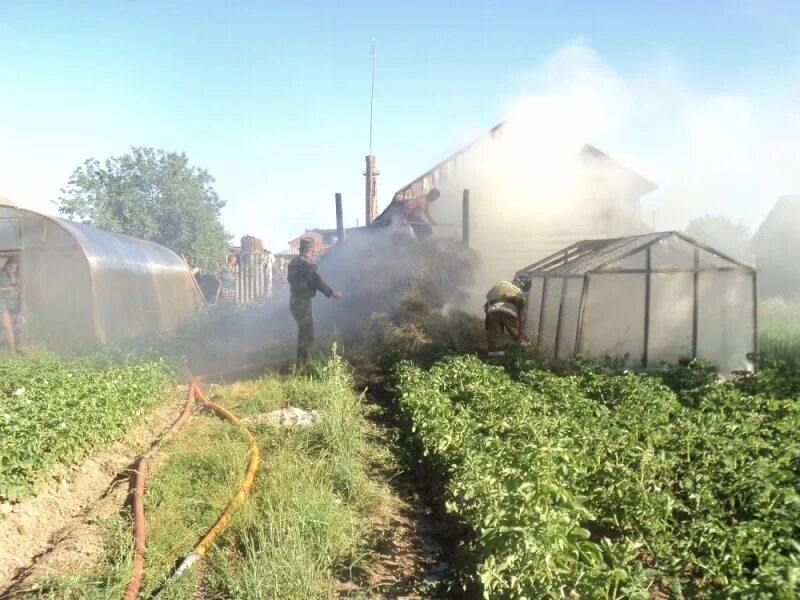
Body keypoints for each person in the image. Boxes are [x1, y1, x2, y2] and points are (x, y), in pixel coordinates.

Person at [287, 237, 342, 363]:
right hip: (302, 302)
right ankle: (303, 363)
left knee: (304, 330)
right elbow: (318, 281)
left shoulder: (293, 263)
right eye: (313, 251)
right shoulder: (306, 265)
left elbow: (292, 281)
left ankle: (303, 361)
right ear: (310, 250)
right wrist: (332, 294)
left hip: (294, 301)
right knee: (307, 333)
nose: (314, 253)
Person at [484, 274, 531, 358]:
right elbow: (520, 314)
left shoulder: (501, 283)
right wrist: (519, 334)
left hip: (492, 310)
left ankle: (494, 360)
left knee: (494, 339)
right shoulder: (520, 293)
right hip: (509, 313)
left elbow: (488, 297)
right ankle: (527, 354)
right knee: (519, 337)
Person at [0, 256, 20, 352]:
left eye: (15, 268)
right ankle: (13, 353)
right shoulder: (2, 274)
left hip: (7, 304)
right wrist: (10, 288)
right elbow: (8, 288)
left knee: (6, 328)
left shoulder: (11, 275)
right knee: (8, 328)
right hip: (1, 303)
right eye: (12, 267)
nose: (13, 270)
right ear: (7, 266)